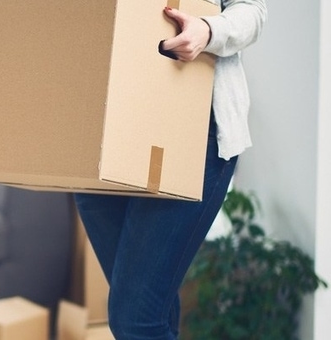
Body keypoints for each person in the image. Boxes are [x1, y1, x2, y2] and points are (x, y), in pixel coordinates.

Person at [73, 0, 267, 339]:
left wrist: (208, 30)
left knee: (134, 319)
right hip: (101, 131)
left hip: (190, 132)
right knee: (149, 311)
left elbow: (252, 10)